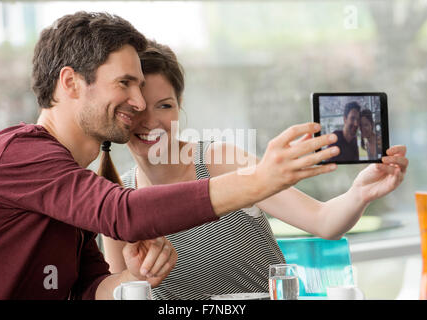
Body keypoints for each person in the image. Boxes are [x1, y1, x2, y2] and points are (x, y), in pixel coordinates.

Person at [0, 12, 342, 300]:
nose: (138, 103)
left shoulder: (75, 186)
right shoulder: (16, 152)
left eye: (141, 87)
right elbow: (126, 213)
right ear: (71, 82)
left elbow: (89, 292)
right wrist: (261, 179)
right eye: (125, 83)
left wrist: (133, 276)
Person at [101, 40, 409, 299]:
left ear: (179, 107)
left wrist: (360, 193)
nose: (150, 121)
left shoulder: (219, 160)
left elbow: (325, 221)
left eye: (164, 105)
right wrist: (135, 275)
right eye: (137, 108)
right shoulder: (117, 199)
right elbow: (114, 290)